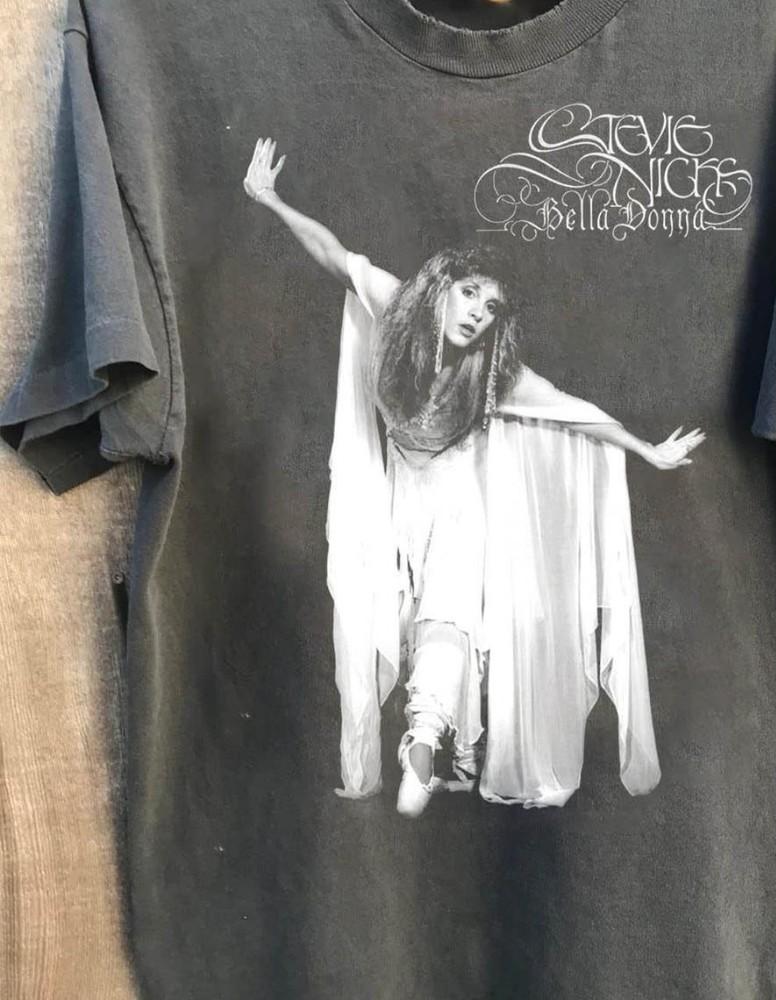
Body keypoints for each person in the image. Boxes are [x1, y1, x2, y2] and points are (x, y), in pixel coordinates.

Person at [243, 137, 706, 818]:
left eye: (490, 309)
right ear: (442, 288)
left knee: (450, 615)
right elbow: (333, 254)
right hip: (398, 496)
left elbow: (575, 411)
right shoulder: (393, 305)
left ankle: (423, 743)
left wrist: (646, 450)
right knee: (401, 620)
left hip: (463, 501)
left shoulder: (495, 374)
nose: (475, 314)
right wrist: (270, 199)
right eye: (469, 295)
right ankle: (448, 751)